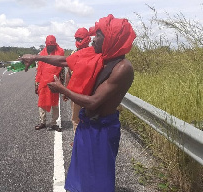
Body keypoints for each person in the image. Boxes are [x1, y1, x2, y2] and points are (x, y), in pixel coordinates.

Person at [19, 14, 136, 192]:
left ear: (111, 38)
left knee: (98, 178)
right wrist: (36, 57)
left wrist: (62, 89)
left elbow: (93, 102)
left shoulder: (122, 67)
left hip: (102, 130)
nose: (93, 40)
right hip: (88, 125)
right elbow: (65, 60)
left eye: (98, 35)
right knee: (82, 173)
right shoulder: (100, 56)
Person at [64, 27, 91, 138]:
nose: (78, 42)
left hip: (89, 92)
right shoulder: (73, 54)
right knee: (76, 118)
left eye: (80, 39)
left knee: (89, 117)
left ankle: (85, 140)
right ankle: (77, 140)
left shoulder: (93, 52)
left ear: (87, 39)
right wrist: (66, 91)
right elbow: (68, 74)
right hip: (75, 92)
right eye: (76, 39)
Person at [34, 35, 64, 132]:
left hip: (54, 82)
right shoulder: (41, 54)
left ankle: (54, 123)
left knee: (55, 103)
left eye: (52, 45)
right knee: (42, 102)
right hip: (43, 82)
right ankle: (42, 122)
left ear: (55, 44)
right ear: (46, 44)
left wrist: (62, 85)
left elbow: (62, 70)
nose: (50, 47)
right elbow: (38, 70)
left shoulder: (59, 54)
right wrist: (36, 84)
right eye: (49, 45)